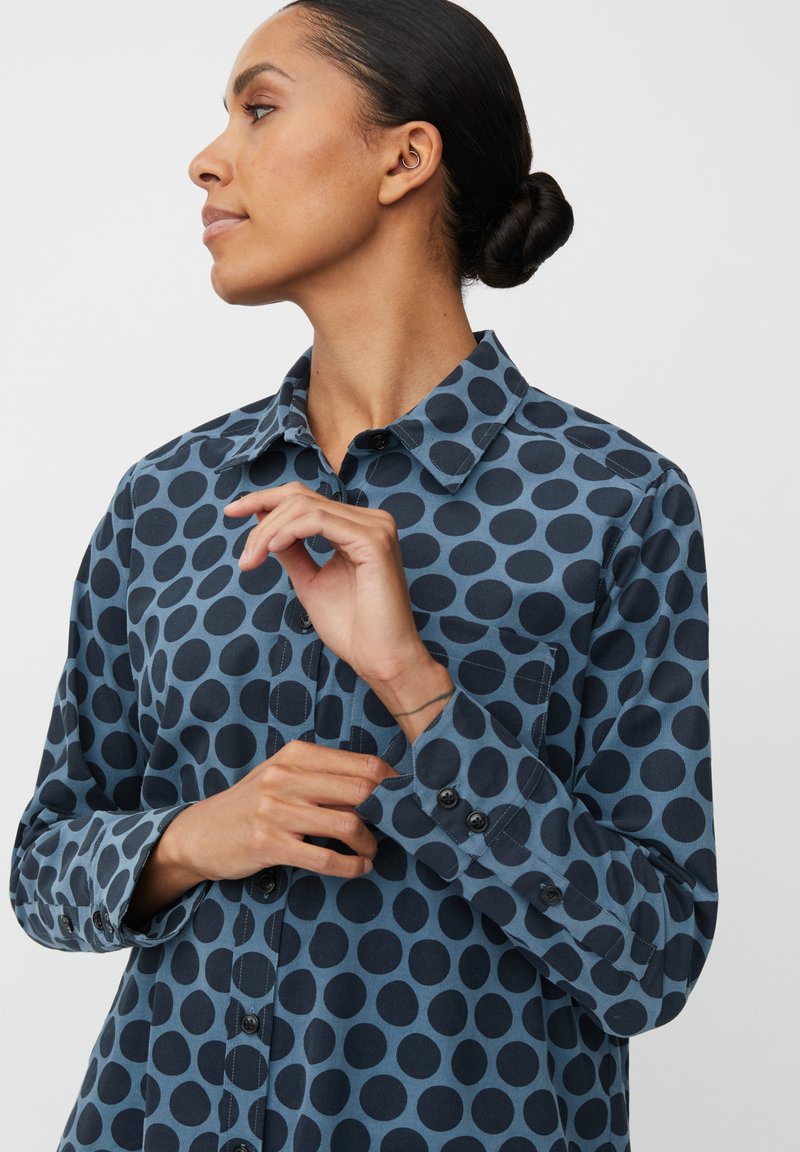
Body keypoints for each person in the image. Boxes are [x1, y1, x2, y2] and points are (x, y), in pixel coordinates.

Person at [8, 1, 718, 1150]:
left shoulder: (610, 503)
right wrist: (197, 837)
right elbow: (43, 873)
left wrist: (416, 688)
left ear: (403, 157)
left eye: (259, 108)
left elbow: (645, 962)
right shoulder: (168, 500)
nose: (207, 159)